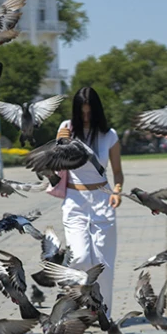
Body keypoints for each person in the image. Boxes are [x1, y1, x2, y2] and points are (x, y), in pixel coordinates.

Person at [55, 86, 124, 316]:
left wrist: (117, 190)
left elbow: (117, 172)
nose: (86, 117)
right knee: (81, 257)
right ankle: (76, 303)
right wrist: (59, 144)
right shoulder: (66, 128)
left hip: (103, 200)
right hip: (74, 200)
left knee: (103, 264)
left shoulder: (109, 135)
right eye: (82, 113)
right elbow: (55, 166)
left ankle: (104, 313)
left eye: (89, 113)